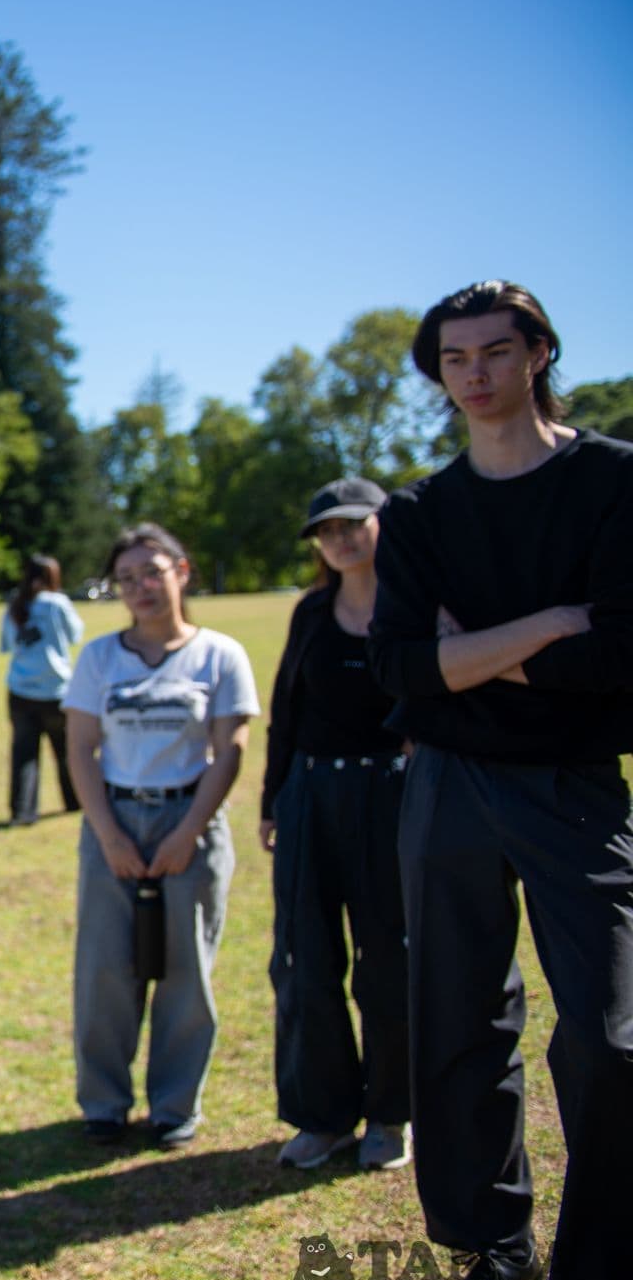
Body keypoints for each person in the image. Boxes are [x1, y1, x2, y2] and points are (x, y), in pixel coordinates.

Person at [365, 280, 632, 1280]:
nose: (471, 372)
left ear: (537, 353)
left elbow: (619, 653)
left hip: (572, 784)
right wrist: (549, 627)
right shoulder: (420, 513)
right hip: (447, 786)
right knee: (456, 1021)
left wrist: (471, 652)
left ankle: (620, 1275)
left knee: (611, 1037)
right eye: (451, 357)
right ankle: (494, 1247)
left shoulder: (612, 480)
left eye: (492, 350)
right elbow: (398, 666)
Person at [63, 523, 257, 1150]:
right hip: (113, 821)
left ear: (183, 571)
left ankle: (174, 1105)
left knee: (185, 972)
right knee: (104, 971)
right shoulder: (99, 657)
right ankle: (104, 1103)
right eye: (126, 578)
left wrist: (187, 834)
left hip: (190, 822)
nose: (140, 587)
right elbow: (81, 751)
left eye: (152, 571)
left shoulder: (219, 654)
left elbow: (229, 752)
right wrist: (111, 836)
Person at [257, 480, 410, 1173]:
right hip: (310, 793)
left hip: (391, 795)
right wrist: (272, 799)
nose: (342, 538)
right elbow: (285, 709)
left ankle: (389, 1113)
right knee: (305, 960)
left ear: (381, 524)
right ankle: (322, 1116)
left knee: (389, 959)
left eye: (354, 523)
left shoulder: (414, 604)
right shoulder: (312, 613)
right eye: (328, 529)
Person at [1, 554, 85, 825]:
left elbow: (6, 644)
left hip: (20, 690)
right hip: (56, 690)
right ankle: (74, 802)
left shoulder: (16, 603)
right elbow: (75, 635)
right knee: (66, 750)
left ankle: (22, 812)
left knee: (24, 754)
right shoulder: (58, 603)